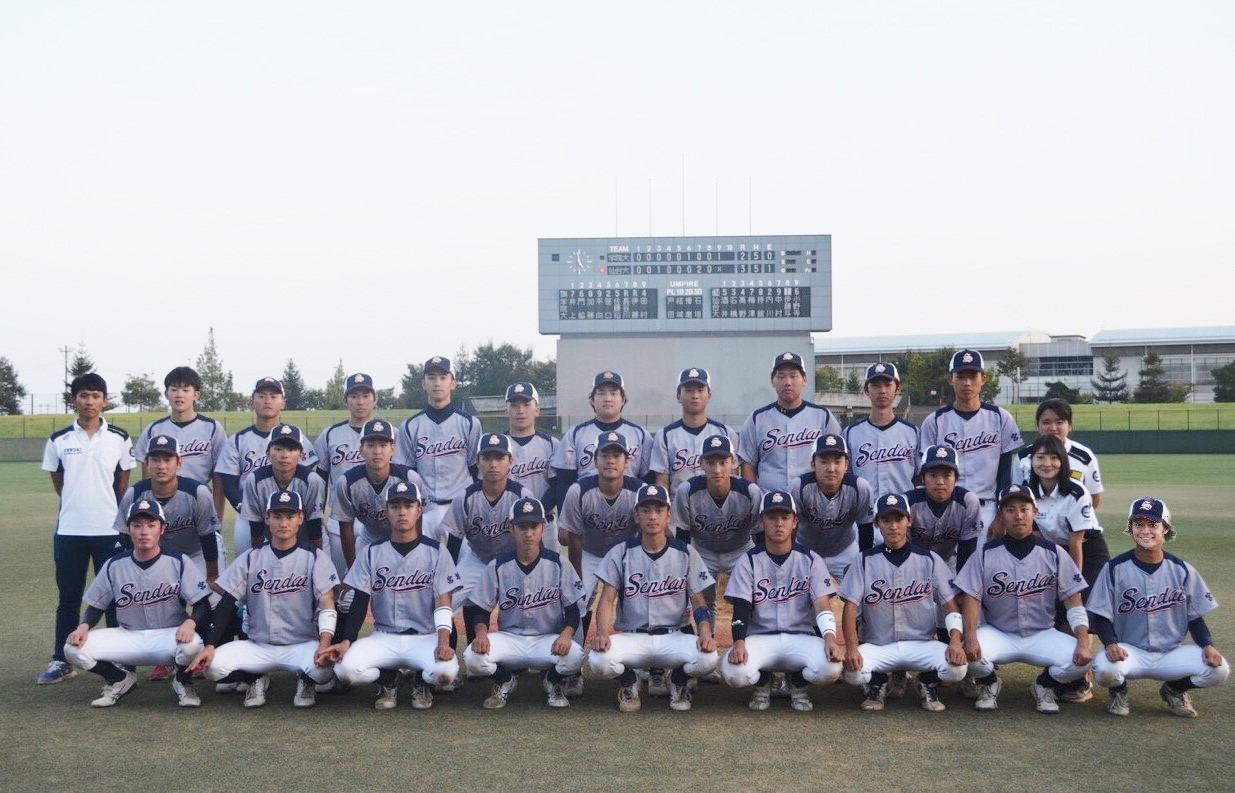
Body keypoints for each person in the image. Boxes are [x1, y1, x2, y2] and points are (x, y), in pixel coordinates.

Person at [189, 489, 339, 708]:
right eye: (277, 516)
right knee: (213, 668)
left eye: (290, 516)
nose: (283, 522)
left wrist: (324, 644)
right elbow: (227, 604)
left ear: (300, 518)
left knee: (323, 671)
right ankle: (255, 678)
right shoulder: (251, 558)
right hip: (258, 645)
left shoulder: (316, 558)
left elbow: (327, 604)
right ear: (267, 518)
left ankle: (307, 682)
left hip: (302, 644)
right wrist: (210, 645)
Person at [321, 480, 462, 710]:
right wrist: (347, 640)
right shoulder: (370, 552)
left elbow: (443, 601)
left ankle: (420, 682)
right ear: (386, 512)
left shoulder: (437, 551)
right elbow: (359, 601)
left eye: (408, 505)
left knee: (445, 672)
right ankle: (389, 680)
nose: (402, 512)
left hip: (424, 636)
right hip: (383, 637)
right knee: (344, 669)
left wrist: (444, 641)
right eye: (395, 506)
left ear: (419, 510)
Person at [954, 485, 1094, 713]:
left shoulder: (1056, 553)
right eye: (1010, 510)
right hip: (999, 633)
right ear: (1001, 515)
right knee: (966, 655)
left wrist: (1083, 641)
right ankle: (989, 683)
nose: (1018, 515)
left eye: (1024, 509)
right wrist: (970, 637)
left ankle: (1045, 685)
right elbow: (971, 599)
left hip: (1042, 633)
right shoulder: (985, 553)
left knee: (1084, 660)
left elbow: (1073, 601)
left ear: (1035, 512)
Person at [1088, 498, 1229, 717]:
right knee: (1105, 669)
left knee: (1219, 670)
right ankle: (1119, 691)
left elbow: (1195, 618)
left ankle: (1174, 690)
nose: (1145, 531)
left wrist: (1208, 645)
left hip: (1171, 653)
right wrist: (1110, 643)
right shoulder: (1114, 568)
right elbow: (1100, 615)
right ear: (1131, 528)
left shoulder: (1182, 570)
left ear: (1165, 529)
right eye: (1139, 524)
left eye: (1153, 525)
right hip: (1129, 652)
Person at [63, 499, 211, 707]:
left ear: (162, 529)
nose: (144, 532)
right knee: (72, 649)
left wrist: (190, 623)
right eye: (137, 525)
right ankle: (120, 679)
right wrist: (83, 626)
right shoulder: (114, 565)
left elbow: (202, 603)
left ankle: (182, 682)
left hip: (169, 636)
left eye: (151, 525)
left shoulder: (178, 561)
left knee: (193, 645)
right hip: (128, 636)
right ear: (128, 529)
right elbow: (97, 605)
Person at [39, 372, 136, 685]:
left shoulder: (119, 438)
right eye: (83, 395)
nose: (89, 401)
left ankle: (119, 661)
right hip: (70, 531)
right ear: (74, 400)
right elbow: (61, 485)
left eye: (96, 396)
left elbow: (122, 486)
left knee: (112, 599)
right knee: (69, 597)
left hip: (110, 531)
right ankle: (61, 659)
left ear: (105, 400)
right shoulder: (58, 440)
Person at [588, 484, 719, 712]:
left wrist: (706, 633)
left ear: (669, 515)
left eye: (659, 510)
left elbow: (699, 602)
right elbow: (607, 599)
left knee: (709, 658)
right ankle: (629, 683)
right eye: (646, 510)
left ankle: (678, 681)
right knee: (598, 660)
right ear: (636, 516)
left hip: (674, 637)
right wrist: (601, 633)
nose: (652, 516)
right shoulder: (621, 552)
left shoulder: (686, 552)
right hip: (633, 638)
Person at [839, 493, 967, 712]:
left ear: (909, 520)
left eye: (899, 519)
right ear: (877, 523)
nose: (893, 526)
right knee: (852, 673)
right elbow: (850, 609)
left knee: (957, 669)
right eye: (887, 520)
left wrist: (955, 641)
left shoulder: (929, 559)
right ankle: (878, 683)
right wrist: (852, 648)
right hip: (880, 645)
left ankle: (926, 681)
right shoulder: (864, 560)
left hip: (921, 644)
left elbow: (950, 604)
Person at [720, 490, 843, 712]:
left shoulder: (810, 559)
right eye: (772, 517)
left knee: (831, 669)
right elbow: (741, 609)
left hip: (801, 638)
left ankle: (797, 683)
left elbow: (822, 605)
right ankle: (763, 682)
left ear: (795, 521)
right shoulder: (748, 561)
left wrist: (830, 638)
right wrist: (738, 642)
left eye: (785, 517)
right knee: (734, 673)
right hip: (760, 638)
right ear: (762, 522)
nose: (779, 523)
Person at [462, 497, 586, 709]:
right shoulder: (498, 565)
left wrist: (566, 636)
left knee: (576, 655)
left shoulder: (559, 564)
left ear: (543, 527)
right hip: (510, 640)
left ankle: (553, 681)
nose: (528, 533)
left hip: (548, 641)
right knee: (472, 658)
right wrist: (481, 633)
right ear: (511, 528)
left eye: (533, 526)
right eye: (522, 526)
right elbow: (481, 610)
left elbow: (573, 610)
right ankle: (504, 680)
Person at [557, 431, 642, 697]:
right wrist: (578, 579)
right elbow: (574, 537)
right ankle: (573, 670)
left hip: (625, 551)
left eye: (617, 455)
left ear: (626, 460)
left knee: (638, 599)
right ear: (595, 460)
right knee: (578, 601)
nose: (611, 460)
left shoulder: (637, 490)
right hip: (590, 552)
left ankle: (641, 667)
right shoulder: (579, 490)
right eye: (605, 455)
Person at [917, 349, 1022, 533]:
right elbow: (925, 474)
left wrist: (1000, 515)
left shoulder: (1000, 417)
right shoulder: (934, 421)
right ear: (951, 379)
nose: (967, 382)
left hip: (987, 508)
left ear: (983, 379)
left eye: (973, 376)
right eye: (961, 376)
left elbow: (1005, 471)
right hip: (945, 509)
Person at [440, 433, 531, 645]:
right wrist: (449, 580)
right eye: (487, 458)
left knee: (528, 607)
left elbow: (534, 539)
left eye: (499, 458)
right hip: (477, 559)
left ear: (510, 461)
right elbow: (454, 542)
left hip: (513, 561)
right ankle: (449, 654)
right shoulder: (465, 497)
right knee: (445, 604)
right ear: (477, 461)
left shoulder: (521, 496)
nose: (493, 464)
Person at [217, 376, 316, 559]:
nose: (267, 400)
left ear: (283, 403)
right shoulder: (238, 440)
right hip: (250, 513)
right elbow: (229, 483)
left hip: (289, 514)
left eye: (273, 396)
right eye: (262, 396)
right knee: (248, 563)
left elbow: (307, 476)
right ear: (252, 402)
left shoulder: (297, 438)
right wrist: (244, 507)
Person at [670, 435, 761, 621]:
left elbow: (759, 533)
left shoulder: (750, 491)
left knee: (750, 597)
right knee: (704, 599)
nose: (717, 469)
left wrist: (759, 565)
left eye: (723, 462)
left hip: (740, 549)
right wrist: (684, 568)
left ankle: (748, 639)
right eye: (711, 463)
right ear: (701, 463)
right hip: (703, 551)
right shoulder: (687, 490)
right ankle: (707, 642)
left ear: (733, 462)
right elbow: (682, 535)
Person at [394, 357, 483, 542]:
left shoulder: (470, 423)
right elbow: (405, 471)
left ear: (453, 383)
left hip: (459, 506)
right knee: (425, 565)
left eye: (443, 377)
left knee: (461, 566)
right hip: (424, 509)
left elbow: (477, 469)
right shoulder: (410, 426)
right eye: (431, 377)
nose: (437, 383)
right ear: (423, 384)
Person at [115, 435, 220, 583]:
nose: (161, 466)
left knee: (211, 600)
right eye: (155, 459)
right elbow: (126, 537)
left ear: (179, 462)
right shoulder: (134, 495)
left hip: (197, 554)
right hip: (155, 557)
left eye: (167, 459)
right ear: (146, 463)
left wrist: (212, 576)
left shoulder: (198, 493)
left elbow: (208, 537)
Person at [738, 352, 841, 494]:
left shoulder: (823, 417)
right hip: (769, 504)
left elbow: (838, 460)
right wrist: (754, 500)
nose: (788, 382)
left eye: (793, 376)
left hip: (812, 503)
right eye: (781, 376)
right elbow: (748, 464)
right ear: (772, 381)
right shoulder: (756, 419)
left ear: (804, 379)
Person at [331, 418, 425, 570]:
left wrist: (415, 547)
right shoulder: (347, 482)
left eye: (383, 445)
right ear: (361, 450)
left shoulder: (409, 478)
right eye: (370, 445)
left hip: (405, 535)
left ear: (393, 449)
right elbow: (345, 525)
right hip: (370, 536)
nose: (377, 451)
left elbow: (418, 517)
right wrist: (352, 567)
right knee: (355, 587)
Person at [551, 370, 652, 509]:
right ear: (592, 400)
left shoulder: (640, 434)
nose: (607, 398)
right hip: (586, 509)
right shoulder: (575, 434)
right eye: (601, 393)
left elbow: (649, 480)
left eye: (614, 393)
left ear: (623, 399)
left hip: (630, 511)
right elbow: (565, 482)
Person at [134, 366, 228, 515]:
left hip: (199, 503)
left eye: (186, 390)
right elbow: (147, 478)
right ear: (166, 394)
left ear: (196, 395)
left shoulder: (212, 428)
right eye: (174, 389)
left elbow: (219, 478)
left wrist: (217, 518)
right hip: (161, 506)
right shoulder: (154, 429)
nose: (179, 395)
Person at [314, 372, 379, 577]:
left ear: (375, 399)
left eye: (365, 395)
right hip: (340, 517)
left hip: (379, 517)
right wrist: (318, 514)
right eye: (354, 396)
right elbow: (321, 477)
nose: (360, 401)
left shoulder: (388, 434)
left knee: (378, 575)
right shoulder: (330, 434)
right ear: (346, 401)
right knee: (343, 577)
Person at [790, 433, 874, 581]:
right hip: (806, 551)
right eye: (823, 461)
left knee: (855, 597)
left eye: (837, 461)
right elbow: (790, 530)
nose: (831, 468)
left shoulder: (860, 487)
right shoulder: (799, 487)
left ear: (846, 465)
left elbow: (866, 529)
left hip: (845, 552)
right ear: (812, 464)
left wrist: (863, 565)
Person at [239, 424, 326, 550]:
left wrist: (316, 558)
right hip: (270, 538)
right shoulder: (254, 480)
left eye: (291, 450)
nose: (284, 455)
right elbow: (256, 526)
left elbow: (314, 524)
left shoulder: (312, 480)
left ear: (301, 455)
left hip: (309, 537)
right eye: (278, 449)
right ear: (268, 454)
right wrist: (257, 558)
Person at [651, 368, 738, 490]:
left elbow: (732, 478)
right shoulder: (665, 436)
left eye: (700, 390)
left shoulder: (726, 433)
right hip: (678, 505)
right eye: (688, 390)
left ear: (709, 395)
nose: (695, 395)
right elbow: (662, 483)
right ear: (678, 396)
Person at [844, 362, 918, 503]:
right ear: (866, 390)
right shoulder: (850, 433)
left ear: (897, 389)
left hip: (901, 516)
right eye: (876, 385)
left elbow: (920, 476)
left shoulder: (912, 432)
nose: (882, 390)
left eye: (888, 384)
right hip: (864, 514)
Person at [905, 445, 983, 572]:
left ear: (956, 479)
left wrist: (960, 587)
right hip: (913, 564)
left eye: (947, 476)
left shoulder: (968, 501)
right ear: (923, 478)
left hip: (948, 562)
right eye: (933, 475)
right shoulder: (908, 501)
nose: (940, 482)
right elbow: (902, 550)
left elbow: (967, 551)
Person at [1015, 398, 1104, 510]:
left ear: (1070, 425)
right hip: (1034, 525)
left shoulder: (1084, 456)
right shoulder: (1023, 457)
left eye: (1059, 422)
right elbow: (1016, 495)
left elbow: (1094, 497)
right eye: (1046, 422)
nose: (1052, 428)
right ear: (1038, 425)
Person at [503, 382, 560, 548]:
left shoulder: (551, 444)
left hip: (545, 524)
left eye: (527, 405)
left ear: (537, 410)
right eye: (514, 405)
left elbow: (556, 486)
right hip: (507, 525)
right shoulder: (497, 446)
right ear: (506, 410)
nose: (520, 410)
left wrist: (534, 513)